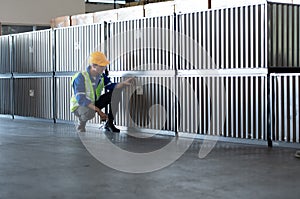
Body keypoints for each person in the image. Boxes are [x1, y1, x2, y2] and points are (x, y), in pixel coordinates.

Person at [70, 51, 134, 132]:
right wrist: (99, 111)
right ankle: (81, 124)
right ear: (93, 66)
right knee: (90, 112)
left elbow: (111, 86)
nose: (104, 69)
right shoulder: (80, 77)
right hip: (80, 106)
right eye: (102, 66)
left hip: (93, 103)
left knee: (115, 92)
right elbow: (81, 99)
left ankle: (109, 123)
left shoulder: (101, 76)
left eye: (104, 66)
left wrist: (124, 83)